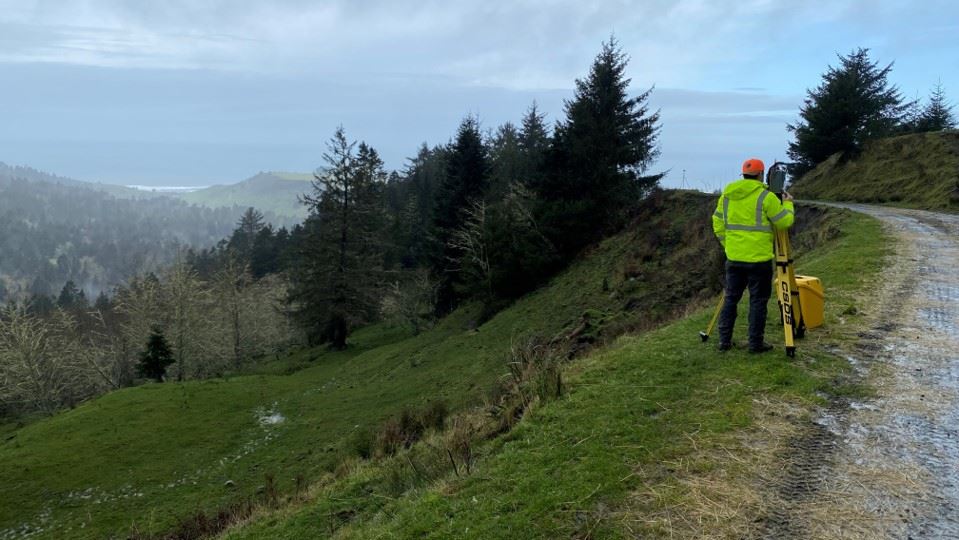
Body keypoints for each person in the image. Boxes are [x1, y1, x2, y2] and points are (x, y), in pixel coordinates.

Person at [712, 158, 795, 353]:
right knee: (758, 301)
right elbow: (784, 222)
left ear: (743, 174)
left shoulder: (727, 196)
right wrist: (788, 205)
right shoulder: (766, 197)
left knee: (731, 298)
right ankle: (755, 344)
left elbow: (717, 223)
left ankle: (724, 341)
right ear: (760, 175)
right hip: (759, 260)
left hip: (734, 258)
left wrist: (728, 245)